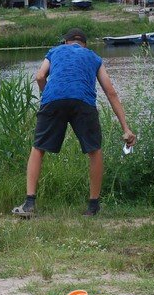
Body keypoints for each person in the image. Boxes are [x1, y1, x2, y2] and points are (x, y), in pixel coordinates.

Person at [12, 28, 135, 218]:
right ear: (84, 45)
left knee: (38, 148)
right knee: (94, 150)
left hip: (54, 99)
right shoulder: (93, 57)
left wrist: (47, 96)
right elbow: (111, 92)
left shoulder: (55, 51)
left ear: (65, 42)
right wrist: (125, 128)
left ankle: (29, 204)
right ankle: (93, 206)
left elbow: (39, 76)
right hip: (83, 102)